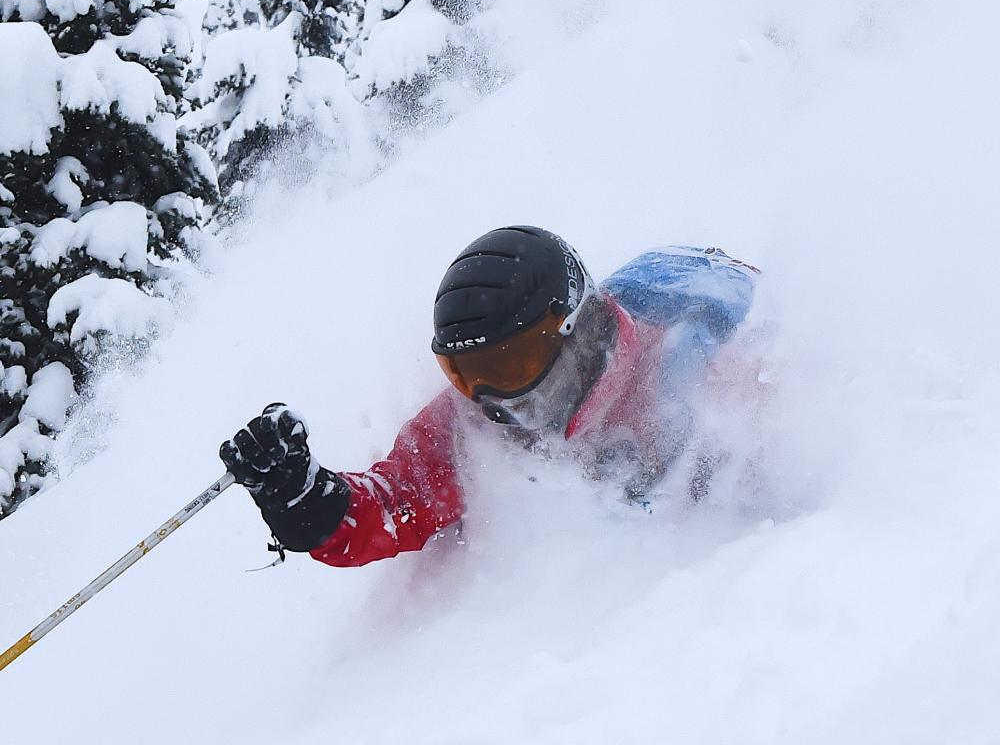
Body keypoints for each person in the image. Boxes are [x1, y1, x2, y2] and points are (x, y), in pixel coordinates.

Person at [219, 226, 762, 567]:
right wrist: (308, 502)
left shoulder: (685, 358)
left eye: (509, 366)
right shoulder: (477, 426)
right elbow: (392, 502)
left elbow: (801, 431)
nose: (491, 400)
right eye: (464, 373)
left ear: (572, 330)